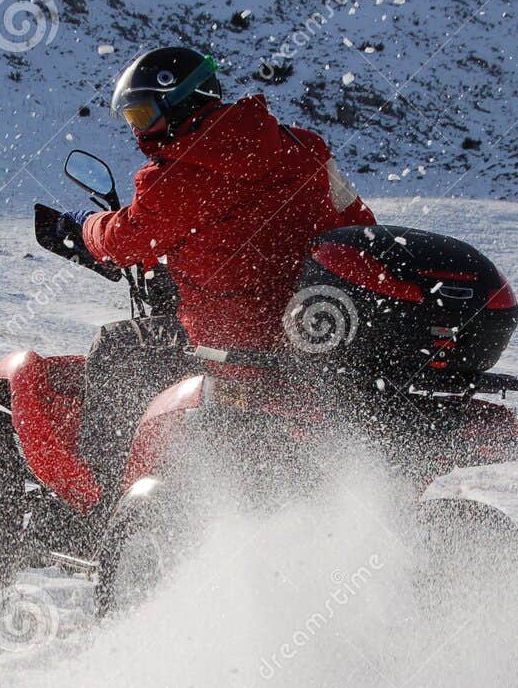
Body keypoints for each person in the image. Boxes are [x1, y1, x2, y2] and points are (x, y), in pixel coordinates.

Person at [61, 47, 375, 505]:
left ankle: (102, 500)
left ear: (183, 101)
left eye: (144, 114)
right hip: (316, 344)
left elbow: (125, 241)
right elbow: (359, 224)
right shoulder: (305, 147)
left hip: (226, 346)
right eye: (132, 117)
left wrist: (81, 226)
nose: (137, 130)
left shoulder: (177, 176)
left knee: (118, 348)